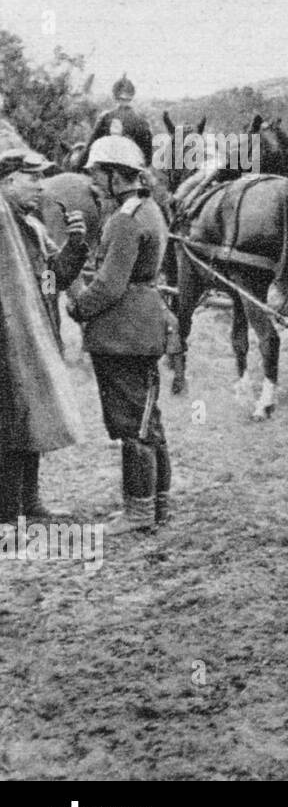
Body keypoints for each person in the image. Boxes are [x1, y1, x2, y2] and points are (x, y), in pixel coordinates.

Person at [66, 135, 174, 532]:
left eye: (97, 173)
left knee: (132, 426)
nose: (93, 180)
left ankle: (139, 513)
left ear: (116, 175)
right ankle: (156, 505)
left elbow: (110, 285)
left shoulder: (125, 221)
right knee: (149, 421)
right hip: (141, 327)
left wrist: (78, 305)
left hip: (123, 333)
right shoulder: (150, 210)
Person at [0, 146, 87, 523]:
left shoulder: (32, 226)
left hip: (36, 338)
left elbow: (53, 280)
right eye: (31, 177)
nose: (40, 185)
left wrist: (76, 246)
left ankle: (30, 504)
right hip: (7, 343)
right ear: (7, 181)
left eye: (41, 177)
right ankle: (6, 516)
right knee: (8, 425)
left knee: (32, 418)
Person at [89, 74, 154, 160]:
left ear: (114, 97)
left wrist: (77, 164)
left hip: (103, 165)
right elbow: (148, 154)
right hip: (131, 168)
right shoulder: (141, 121)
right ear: (132, 96)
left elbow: (90, 145)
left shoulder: (106, 117)